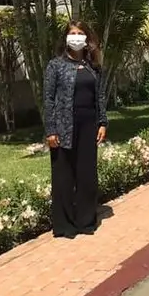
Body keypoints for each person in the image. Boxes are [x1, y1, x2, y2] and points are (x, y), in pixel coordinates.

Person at [43, 21, 108, 238]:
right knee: (63, 176)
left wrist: (102, 122)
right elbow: (49, 99)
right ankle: (64, 225)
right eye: (73, 33)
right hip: (63, 127)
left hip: (89, 126)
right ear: (66, 38)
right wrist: (51, 130)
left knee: (87, 175)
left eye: (81, 33)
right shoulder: (55, 65)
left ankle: (86, 221)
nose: (77, 37)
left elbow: (99, 96)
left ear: (87, 39)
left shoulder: (93, 66)